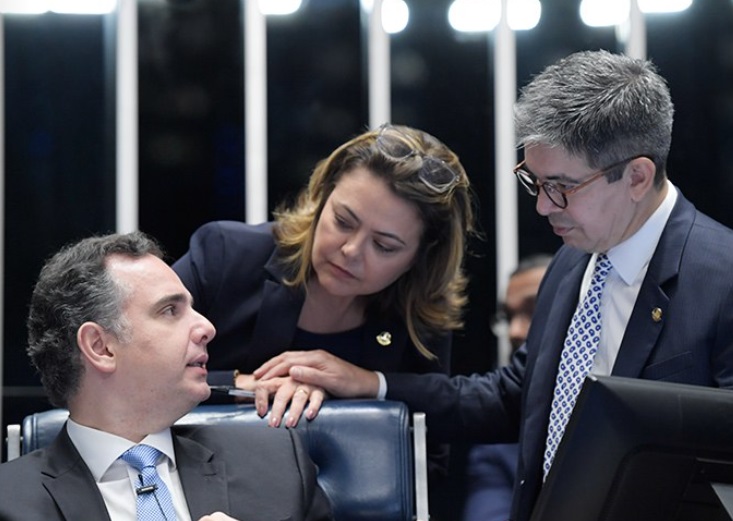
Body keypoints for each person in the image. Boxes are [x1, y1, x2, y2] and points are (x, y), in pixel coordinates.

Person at [252, 49, 733, 521]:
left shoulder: (722, 280)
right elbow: (511, 399)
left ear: (637, 176)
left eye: (561, 187)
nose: (543, 207)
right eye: (534, 181)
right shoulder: (572, 264)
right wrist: (371, 385)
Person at [0, 231, 332, 521]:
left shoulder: (276, 464)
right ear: (100, 347)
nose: (207, 328)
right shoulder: (10, 501)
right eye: (170, 310)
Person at [172, 123, 475, 428]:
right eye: (343, 221)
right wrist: (243, 387)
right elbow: (131, 365)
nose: (351, 250)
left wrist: (364, 386)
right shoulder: (226, 255)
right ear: (321, 197)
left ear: (420, 258)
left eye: (384, 246)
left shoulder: (420, 314)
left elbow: (428, 455)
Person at [462, 254, 551, 521]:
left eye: (533, 309)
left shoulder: (620, 405)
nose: (514, 331)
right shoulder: (499, 438)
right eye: (508, 316)